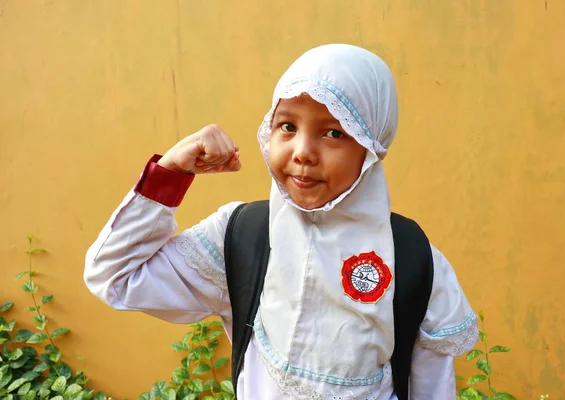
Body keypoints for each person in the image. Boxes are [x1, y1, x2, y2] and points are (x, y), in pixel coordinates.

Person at [84, 44, 478, 399]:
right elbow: (115, 276)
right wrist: (169, 173)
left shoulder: (411, 260)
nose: (303, 152)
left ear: (372, 144)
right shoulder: (242, 237)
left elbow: (432, 389)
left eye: (334, 132)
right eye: (287, 126)